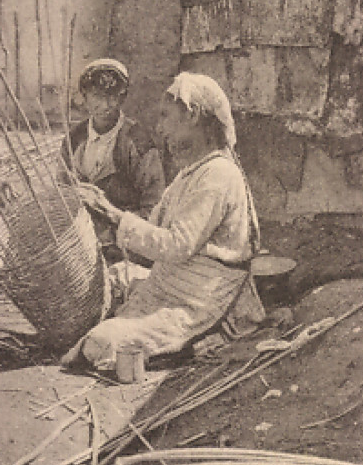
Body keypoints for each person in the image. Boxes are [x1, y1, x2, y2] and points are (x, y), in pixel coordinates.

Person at [62, 72, 265, 371]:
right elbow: (154, 230)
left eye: (166, 117)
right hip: (173, 281)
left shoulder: (219, 175)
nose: (160, 128)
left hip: (202, 299)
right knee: (113, 277)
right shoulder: (190, 173)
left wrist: (111, 213)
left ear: (193, 116)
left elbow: (175, 246)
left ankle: (205, 338)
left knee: (102, 342)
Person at [62, 59, 165, 251]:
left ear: (122, 97)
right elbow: (61, 191)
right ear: (84, 97)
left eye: (113, 97)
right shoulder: (74, 139)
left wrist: (111, 230)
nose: (105, 105)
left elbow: (154, 210)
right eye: (97, 96)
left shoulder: (137, 142)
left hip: (125, 245)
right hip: (79, 241)